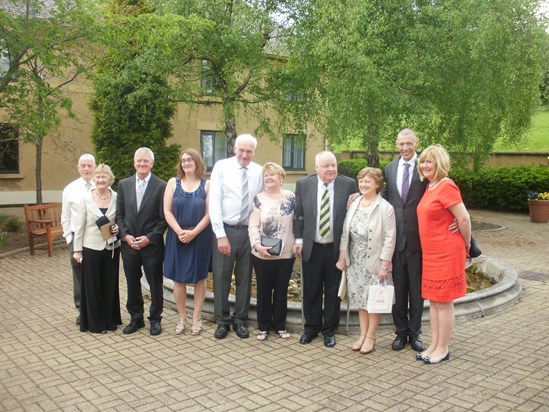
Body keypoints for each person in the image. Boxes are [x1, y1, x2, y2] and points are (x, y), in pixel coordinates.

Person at [293, 151, 357, 347]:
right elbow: (299, 215)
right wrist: (299, 238)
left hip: (336, 249)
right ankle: (311, 328)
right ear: (317, 168)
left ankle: (329, 329)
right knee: (311, 289)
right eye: (327, 166)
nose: (331, 169)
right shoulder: (304, 185)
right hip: (312, 246)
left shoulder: (348, 185)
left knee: (332, 290)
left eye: (334, 165)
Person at [416, 144, 471, 364]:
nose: (425, 165)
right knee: (434, 300)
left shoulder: (447, 186)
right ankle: (434, 344)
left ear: (440, 163)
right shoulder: (430, 187)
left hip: (447, 251)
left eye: (429, 161)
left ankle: (443, 348)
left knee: (444, 300)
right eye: (423, 161)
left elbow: (464, 218)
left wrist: (466, 244)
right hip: (431, 252)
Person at [209, 134, 263, 339]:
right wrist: (220, 235)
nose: (245, 154)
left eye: (249, 151)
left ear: (254, 152)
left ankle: (240, 319)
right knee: (221, 277)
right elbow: (214, 202)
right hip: (225, 230)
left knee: (245, 278)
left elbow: (262, 200)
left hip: (248, 232)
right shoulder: (221, 167)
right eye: (242, 150)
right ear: (235, 148)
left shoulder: (258, 171)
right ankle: (222, 321)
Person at [337, 167, 396, 353]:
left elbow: (390, 238)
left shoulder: (385, 208)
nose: (363, 184)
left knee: (374, 299)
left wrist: (384, 265)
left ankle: (371, 336)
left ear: (377, 184)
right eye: (361, 181)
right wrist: (342, 257)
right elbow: (345, 233)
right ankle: (362, 334)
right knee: (359, 299)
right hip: (355, 261)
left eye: (367, 181)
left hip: (374, 261)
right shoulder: (354, 203)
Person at [382, 129, 428, 352]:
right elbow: (385, 199)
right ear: (396, 145)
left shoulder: (425, 166)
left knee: (416, 291)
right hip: (395, 240)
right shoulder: (390, 168)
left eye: (409, 143)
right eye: (401, 144)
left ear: (416, 143)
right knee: (398, 292)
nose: (405, 148)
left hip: (419, 241)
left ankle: (415, 333)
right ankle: (400, 333)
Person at [116, 148, 167, 336]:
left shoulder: (161, 186)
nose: (142, 164)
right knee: (132, 283)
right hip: (129, 245)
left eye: (146, 161)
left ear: (152, 163)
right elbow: (119, 215)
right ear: (134, 162)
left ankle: (155, 319)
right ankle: (136, 318)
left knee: (155, 283)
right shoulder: (124, 184)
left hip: (151, 246)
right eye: (139, 161)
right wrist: (125, 236)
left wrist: (150, 238)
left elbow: (164, 219)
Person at [163, 149, 212, 336]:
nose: (186, 163)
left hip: (200, 237)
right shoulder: (172, 183)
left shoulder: (207, 185)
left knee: (200, 278)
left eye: (189, 159)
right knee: (178, 279)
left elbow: (209, 213)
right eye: (183, 160)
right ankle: (182, 318)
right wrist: (179, 232)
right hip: (177, 236)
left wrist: (194, 233)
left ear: (197, 162)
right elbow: (167, 211)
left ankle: (196, 319)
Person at [248, 162, 296, 341]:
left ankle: (280, 326)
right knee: (263, 291)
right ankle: (263, 327)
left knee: (282, 290)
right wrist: (257, 245)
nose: (268, 178)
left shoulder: (292, 198)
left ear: (281, 178)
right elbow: (253, 225)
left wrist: (298, 243)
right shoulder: (258, 198)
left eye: (272, 175)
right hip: (262, 254)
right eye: (266, 175)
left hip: (286, 253)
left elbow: (298, 222)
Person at [72, 164, 122, 333]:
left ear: (110, 179)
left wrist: (118, 229)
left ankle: (109, 320)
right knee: (92, 287)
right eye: (98, 177)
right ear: (94, 179)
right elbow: (78, 227)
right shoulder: (85, 198)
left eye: (104, 177)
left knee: (109, 286)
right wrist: (77, 250)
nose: (101, 180)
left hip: (111, 248)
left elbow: (121, 220)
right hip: (90, 248)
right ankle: (95, 324)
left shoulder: (116, 197)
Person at [61, 153, 96, 326]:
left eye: (90, 165)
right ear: (78, 167)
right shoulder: (70, 189)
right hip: (77, 239)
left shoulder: (103, 186)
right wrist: (69, 239)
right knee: (79, 275)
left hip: (97, 238)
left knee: (95, 273)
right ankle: (81, 310)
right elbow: (65, 217)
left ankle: (98, 309)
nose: (87, 169)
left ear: (95, 168)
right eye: (83, 165)